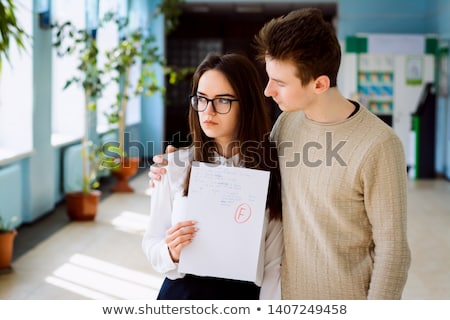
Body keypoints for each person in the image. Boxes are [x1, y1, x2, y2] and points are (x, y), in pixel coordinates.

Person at [149, 8, 411, 300]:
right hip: (285, 296)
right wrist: (166, 169)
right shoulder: (287, 124)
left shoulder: (380, 145)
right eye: (269, 77)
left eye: (280, 83)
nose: (267, 91)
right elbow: (250, 171)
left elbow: (393, 250)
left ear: (320, 84)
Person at [142, 52, 283, 300]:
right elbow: (152, 241)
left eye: (222, 101)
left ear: (246, 103)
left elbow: (273, 265)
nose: (208, 111)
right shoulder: (174, 165)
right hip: (182, 295)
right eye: (202, 99)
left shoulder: (270, 171)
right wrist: (170, 252)